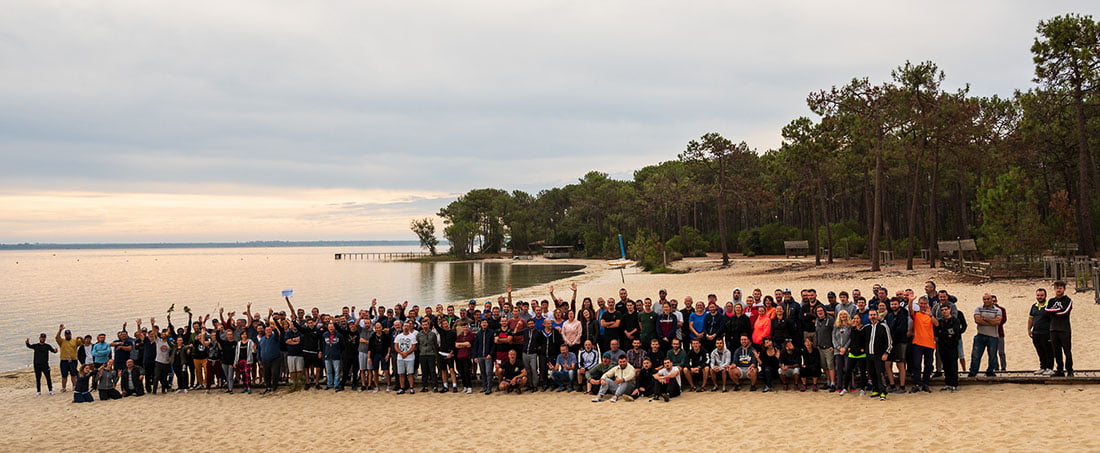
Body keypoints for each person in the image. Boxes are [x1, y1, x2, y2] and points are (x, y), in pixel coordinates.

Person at [969, 294, 1003, 378]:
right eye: (984, 299)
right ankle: (973, 371)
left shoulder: (998, 310)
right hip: (980, 334)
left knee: (992, 355)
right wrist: (991, 321)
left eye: (988, 299)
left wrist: (985, 319)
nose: (986, 301)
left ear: (992, 300)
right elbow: (977, 320)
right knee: (976, 355)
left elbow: (998, 322)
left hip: (993, 336)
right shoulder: (978, 308)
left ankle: (990, 371)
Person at [909, 296, 938, 393]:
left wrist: (930, 315)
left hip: (929, 343)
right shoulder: (916, 314)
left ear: (927, 305)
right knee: (916, 364)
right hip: (918, 342)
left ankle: (925, 383)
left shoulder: (930, 315)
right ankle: (916, 383)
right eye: (921, 303)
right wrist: (910, 301)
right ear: (919, 304)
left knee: (928, 365)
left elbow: (936, 324)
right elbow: (910, 310)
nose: (923, 305)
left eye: (925, 304)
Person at [1046, 281, 1073, 377]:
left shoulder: (1068, 300)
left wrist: (1054, 311)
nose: (1058, 289)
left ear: (1064, 289)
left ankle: (1069, 370)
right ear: (1054, 289)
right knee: (1056, 351)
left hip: (1064, 329)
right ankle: (1059, 370)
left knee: (1067, 351)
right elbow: (1047, 310)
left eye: (1060, 288)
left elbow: (1065, 312)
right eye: (1057, 288)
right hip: (1053, 329)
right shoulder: (1051, 301)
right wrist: (1056, 311)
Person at [935, 304, 964, 391]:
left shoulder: (955, 320)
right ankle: (947, 383)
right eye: (942, 310)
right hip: (942, 346)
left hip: (952, 346)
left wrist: (945, 334)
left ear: (949, 310)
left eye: (946, 309)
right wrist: (947, 334)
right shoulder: (940, 321)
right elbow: (937, 333)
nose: (944, 311)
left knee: (953, 365)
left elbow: (956, 333)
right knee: (946, 365)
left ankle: (954, 384)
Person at [865, 309, 891, 401]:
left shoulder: (883, 326)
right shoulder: (866, 327)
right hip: (869, 355)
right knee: (872, 373)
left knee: (880, 374)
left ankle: (883, 391)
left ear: (877, 315)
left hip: (879, 355)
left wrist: (886, 352)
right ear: (868, 317)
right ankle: (875, 390)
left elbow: (889, 341)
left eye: (874, 315)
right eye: (871, 315)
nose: (872, 316)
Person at [393, 321, 418, 394]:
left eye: (407, 326)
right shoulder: (399, 336)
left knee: (410, 373)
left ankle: (411, 388)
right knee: (401, 373)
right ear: (402, 327)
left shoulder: (412, 336)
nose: (406, 327)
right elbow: (396, 346)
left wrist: (407, 353)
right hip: (400, 358)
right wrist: (401, 353)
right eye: (405, 326)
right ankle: (402, 388)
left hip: (410, 358)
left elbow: (414, 346)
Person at [55, 324, 81, 393]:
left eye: (69, 334)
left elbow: (83, 344)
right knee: (64, 376)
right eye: (66, 334)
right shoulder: (62, 341)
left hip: (73, 360)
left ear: (71, 334)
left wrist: (81, 338)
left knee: (73, 375)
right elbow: (57, 337)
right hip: (64, 360)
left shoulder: (75, 340)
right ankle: (63, 387)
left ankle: (74, 386)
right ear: (65, 335)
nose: (68, 335)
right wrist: (60, 330)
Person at [416, 317, 439, 393]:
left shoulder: (432, 334)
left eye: (426, 325)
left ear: (428, 325)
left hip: (431, 354)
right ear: (422, 326)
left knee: (432, 371)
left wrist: (435, 356)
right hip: (422, 354)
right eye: (423, 325)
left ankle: (435, 386)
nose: (425, 326)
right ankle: (425, 386)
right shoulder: (419, 335)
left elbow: (435, 345)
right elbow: (418, 345)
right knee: (424, 371)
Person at [473, 319, 496, 394]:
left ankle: (489, 388)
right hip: (480, 356)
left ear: (487, 324)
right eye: (483, 323)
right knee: (482, 372)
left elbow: (493, 345)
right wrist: (475, 356)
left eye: (485, 323)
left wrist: (491, 354)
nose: (484, 324)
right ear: (480, 324)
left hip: (488, 356)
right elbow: (475, 345)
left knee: (488, 372)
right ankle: (484, 386)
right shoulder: (478, 333)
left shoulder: (491, 333)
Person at [454, 320, 475, 394]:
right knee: (461, 372)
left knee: (467, 372)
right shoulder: (460, 335)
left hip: (467, 356)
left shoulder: (471, 334)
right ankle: (465, 386)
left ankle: (469, 387)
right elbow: (456, 345)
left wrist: (461, 344)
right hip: (460, 356)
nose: (465, 328)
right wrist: (464, 344)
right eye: (464, 327)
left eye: (466, 327)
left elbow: (469, 344)